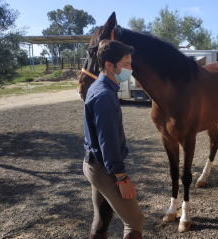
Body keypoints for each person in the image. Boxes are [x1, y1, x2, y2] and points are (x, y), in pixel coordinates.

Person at [83, 39, 144, 239]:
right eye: (126, 64)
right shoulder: (105, 96)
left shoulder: (99, 86)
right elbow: (107, 142)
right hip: (103, 168)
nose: (130, 68)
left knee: (101, 219)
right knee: (135, 221)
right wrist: (121, 177)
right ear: (110, 65)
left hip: (93, 164)